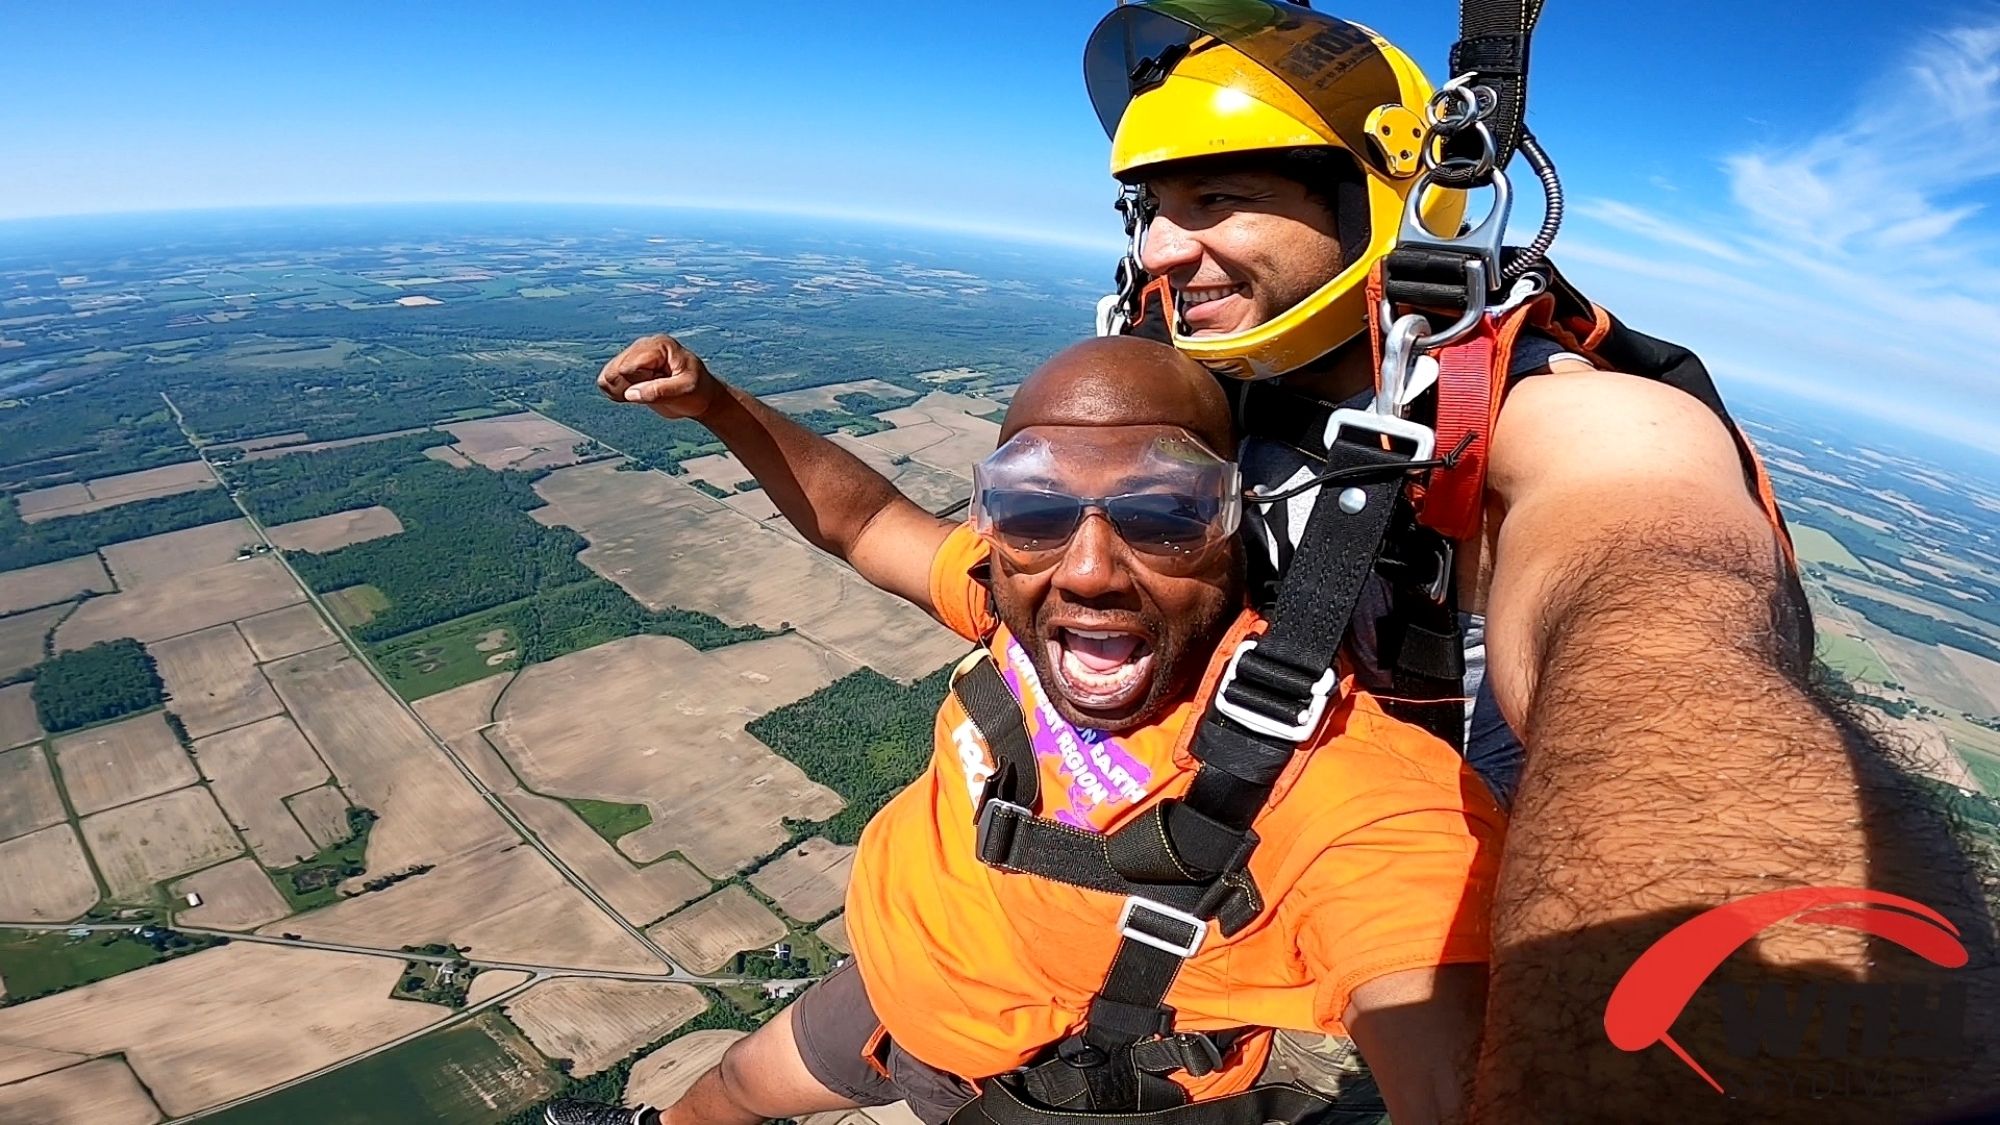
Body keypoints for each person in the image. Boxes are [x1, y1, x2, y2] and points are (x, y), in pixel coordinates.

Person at [1081, 2, 1997, 1120]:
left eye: (1217, 199)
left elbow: (1655, 607)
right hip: (1283, 863)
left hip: (1463, 927)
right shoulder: (1223, 383)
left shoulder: (1560, 417)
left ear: (1375, 193)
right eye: (1155, 207)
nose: (1161, 250)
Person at [548, 334, 1504, 1125]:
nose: (1088, 568)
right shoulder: (1009, 605)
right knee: (729, 1090)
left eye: (1163, 515)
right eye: (1035, 508)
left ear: (1232, 528)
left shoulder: (1340, 782)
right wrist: (716, 404)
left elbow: (1446, 1041)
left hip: (1067, 1088)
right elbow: (865, 521)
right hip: (899, 981)